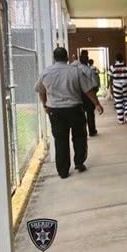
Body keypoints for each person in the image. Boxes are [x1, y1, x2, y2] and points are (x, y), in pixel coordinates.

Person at [34, 47, 103, 178]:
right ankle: (79, 162)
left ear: (54, 58)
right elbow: (88, 90)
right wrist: (97, 104)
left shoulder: (46, 73)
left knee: (60, 140)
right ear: (67, 58)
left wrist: (45, 105)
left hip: (55, 111)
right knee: (79, 136)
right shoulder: (75, 72)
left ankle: (63, 171)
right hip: (75, 109)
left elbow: (41, 91)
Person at [77, 54, 99, 136]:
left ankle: (83, 131)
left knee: (81, 114)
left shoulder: (76, 70)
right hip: (89, 94)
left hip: (79, 94)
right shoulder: (90, 71)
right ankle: (92, 130)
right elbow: (95, 84)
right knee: (90, 113)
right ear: (87, 61)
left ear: (80, 60)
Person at [109, 53, 127, 124]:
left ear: (115, 59)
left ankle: (120, 120)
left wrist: (111, 88)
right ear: (122, 59)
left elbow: (111, 79)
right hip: (126, 86)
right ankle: (126, 113)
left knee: (118, 102)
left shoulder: (112, 67)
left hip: (116, 87)